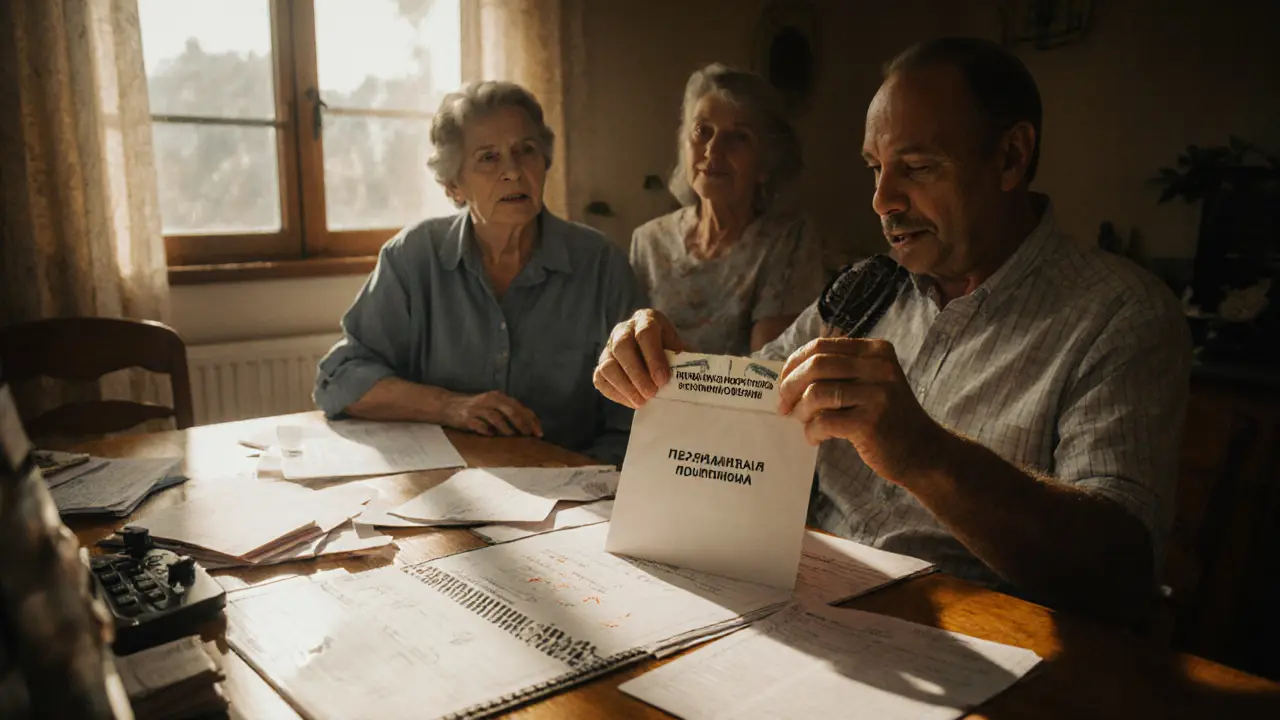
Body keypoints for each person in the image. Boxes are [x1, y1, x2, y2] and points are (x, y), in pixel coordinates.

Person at [593, 38, 1191, 622]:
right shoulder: (867, 288)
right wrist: (669, 370)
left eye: (918, 168)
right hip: (805, 607)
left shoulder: (1120, 314)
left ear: (1011, 157)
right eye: (876, 169)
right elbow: (757, 398)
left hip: (982, 641)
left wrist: (923, 453)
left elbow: (1121, 571)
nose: (881, 200)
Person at [315, 81, 646, 465]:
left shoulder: (601, 265)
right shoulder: (413, 258)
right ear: (454, 186)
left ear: (545, 163)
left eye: (526, 151)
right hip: (445, 487)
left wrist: (581, 481)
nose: (513, 171)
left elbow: (636, 421)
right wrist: (451, 407)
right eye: (488, 157)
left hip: (574, 493)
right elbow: (339, 380)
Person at [629, 64, 826, 356]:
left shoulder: (788, 241)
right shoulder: (648, 242)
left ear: (766, 162)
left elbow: (767, 373)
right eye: (702, 131)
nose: (713, 150)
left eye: (738, 136)